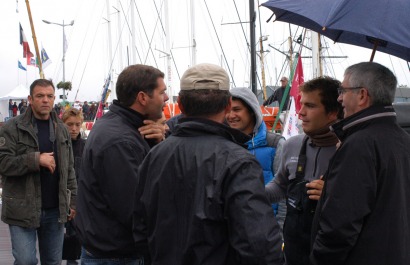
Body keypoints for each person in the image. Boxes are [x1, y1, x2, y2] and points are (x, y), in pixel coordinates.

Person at [133, 63, 283, 265]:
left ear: (182, 106)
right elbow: (258, 243)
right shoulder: (239, 162)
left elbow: (141, 227)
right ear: (228, 105)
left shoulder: (155, 156)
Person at [310, 62, 410, 265]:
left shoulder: (359, 144)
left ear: (362, 95)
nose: (339, 98)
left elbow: (340, 226)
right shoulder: (403, 138)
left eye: (343, 91)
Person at [75, 64, 168, 264]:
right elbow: (137, 209)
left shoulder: (122, 127)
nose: (167, 98)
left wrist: (158, 143)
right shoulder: (121, 142)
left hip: (111, 251)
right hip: (116, 255)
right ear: (143, 98)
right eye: (162, 92)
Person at [265, 76, 343, 265]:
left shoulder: (349, 150)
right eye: (301, 105)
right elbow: (280, 186)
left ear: (333, 112)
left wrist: (332, 194)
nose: (300, 113)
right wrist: (252, 192)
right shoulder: (293, 144)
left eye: (310, 106)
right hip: (294, 252)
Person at [0, 79, 77, 264]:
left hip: (54, 209)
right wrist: (36, 159)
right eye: (40, 96)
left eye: (49, 96)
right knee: (26, 261)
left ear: (54, 99)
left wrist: (73, 200)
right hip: (22, 209)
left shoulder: (62, 130)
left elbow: (69, 168)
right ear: (30, 99)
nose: (45, 100)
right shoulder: (13, 127)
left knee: (52, 261)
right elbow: (3, 163)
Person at [226, 87, 286, 231]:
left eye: (237, 109)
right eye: (227, 110)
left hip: (267, 229)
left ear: (252, 111)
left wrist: (280, 231)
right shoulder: (222, 145)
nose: (230, 115)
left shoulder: (275, 144)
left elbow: (284, 193)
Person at [62, 107, 86, 265]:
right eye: (70, 125)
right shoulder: (57, 146)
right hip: (60, 197)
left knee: (77, 236)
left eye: (77, 125)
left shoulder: (86, 146)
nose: (74, 129)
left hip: (81, 198)